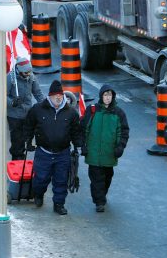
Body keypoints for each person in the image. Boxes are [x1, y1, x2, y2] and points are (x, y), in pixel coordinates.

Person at [26, 80, 83, 215]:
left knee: (61, 180)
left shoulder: (71, 113)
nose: (58, 97)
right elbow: (29, 125)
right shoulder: (38, 109)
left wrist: (79, 145)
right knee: (40, 178)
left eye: (60, 95)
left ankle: (59, 204)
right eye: (55, 95)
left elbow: (76, 132)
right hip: (43, 152)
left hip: (63, 153)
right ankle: (38, 194)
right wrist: (27, 141)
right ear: (50, 96)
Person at [80, 83, 129, 212]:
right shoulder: (92, 110)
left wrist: (120, 147)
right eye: (105, 95)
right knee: (96, 178)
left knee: (107, 176)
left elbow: (123, 132)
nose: (108, 97)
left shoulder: (118, 113)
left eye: (110, 95)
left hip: (109, 153)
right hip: (93, 153)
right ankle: (99, 201)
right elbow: (83, 129)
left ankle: (102, 195)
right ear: (101, 96)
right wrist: (82, 145)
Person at [7, 56, 44, 161]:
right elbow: (2, 95)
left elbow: (38, 93)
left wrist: (45, 105)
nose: (28, 75)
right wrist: (12, 102)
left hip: (27, 111)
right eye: (26, 73)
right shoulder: (10, 78)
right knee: (17, 138)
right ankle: (17, 157)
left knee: (28, 132)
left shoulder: (31, 77)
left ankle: (27, 144)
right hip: (14, 114)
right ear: (19, 71)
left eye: (29, 72)